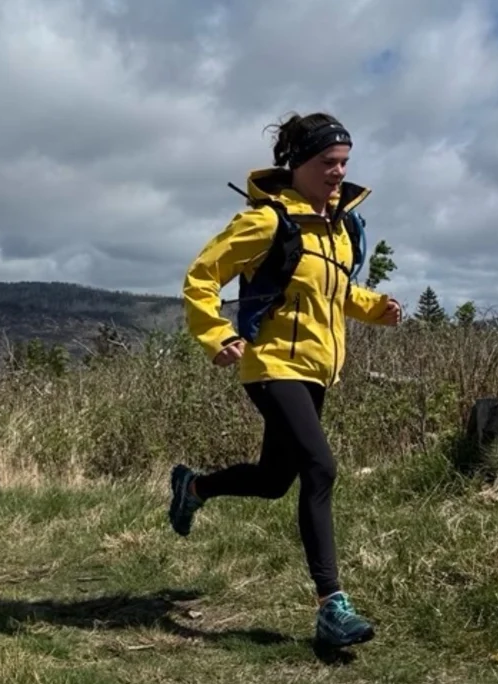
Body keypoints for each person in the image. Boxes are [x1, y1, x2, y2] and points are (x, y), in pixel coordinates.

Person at [170, 112, 402, 648]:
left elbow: (336, 292)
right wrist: (216, 334)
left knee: (275, 480)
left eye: (343, 162)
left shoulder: (340, 228)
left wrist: (376, 308)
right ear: (297, 164)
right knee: (321, 467)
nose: (338, 172)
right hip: (272, 364)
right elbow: (202, 275)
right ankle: (331, 605)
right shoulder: (267, 222)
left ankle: (194, 487)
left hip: (317, 368)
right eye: (327, 162)